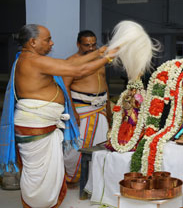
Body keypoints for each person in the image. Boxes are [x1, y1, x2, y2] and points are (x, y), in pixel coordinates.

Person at [0, 24, 116, 208]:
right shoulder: (33, 60)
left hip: (41, 124)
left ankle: (42, 203)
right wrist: (107, 58)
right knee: (39, 175)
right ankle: (37, 204)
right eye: (47, 40)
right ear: (33, 42)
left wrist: (100, 52)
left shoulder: (30, 58)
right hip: (36, 125)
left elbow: (72, 64)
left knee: (45, 173)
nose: (52, 43)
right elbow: (76, 70)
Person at [62, 30, 112, 185]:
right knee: (74, 149)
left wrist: (109, 109)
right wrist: (73, 111)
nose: (91, 48)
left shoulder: (101, 60)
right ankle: (71, 177)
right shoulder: (71, 62)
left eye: (93, 45)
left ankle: (94, 179)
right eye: (86, 45)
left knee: (101, 146)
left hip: (101, 109)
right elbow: (65, 87)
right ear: (78, 44)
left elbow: (105, 84)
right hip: (82, 109)